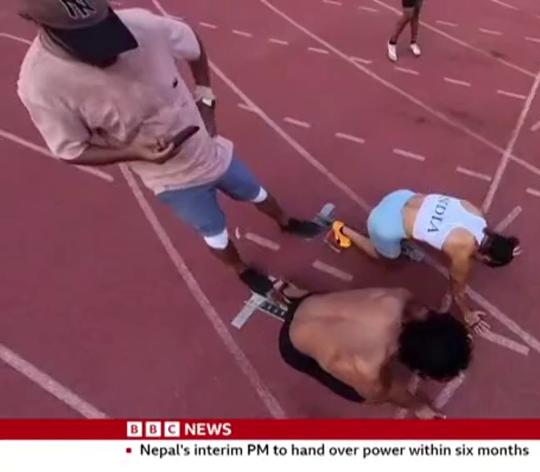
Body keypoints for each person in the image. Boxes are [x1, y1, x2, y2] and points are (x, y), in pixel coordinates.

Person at [15, 0, 322, 296]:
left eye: (104, 28)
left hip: (210, 150)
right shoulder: (41, 86)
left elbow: (192, 43)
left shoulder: (143, 25)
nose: (107, 50)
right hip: (172, 181)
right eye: (85, 41)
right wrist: (135, 152)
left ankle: (286, 222)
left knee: (257, 192)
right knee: (215, 233)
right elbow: (71, 150)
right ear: (35, 21)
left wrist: (206, 96)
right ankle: (240, 269)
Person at [328, 190, 520, 330]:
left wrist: (506, 250)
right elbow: (457, 290)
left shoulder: (476, 212)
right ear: (485, 256)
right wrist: (467, 314)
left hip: (400, 196)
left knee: (419, 228)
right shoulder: (463, 250)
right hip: (381, 223)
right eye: (486, 262)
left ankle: (401, 237)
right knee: (388, 258)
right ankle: (343, 230)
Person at [278, 287, 471, 418]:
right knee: (365, 396)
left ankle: (291, 292)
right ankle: (292, 300)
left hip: (312, 302)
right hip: (293, 344)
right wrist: (419, 406)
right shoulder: (366, 369)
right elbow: (389, 393)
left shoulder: (398, 298)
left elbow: (423, 313)